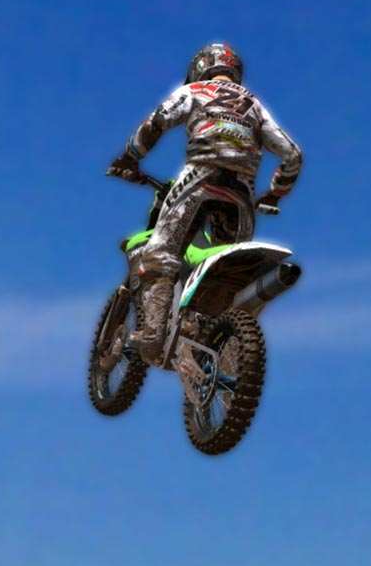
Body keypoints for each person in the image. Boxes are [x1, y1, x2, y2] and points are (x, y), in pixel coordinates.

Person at [108, 41, 304, 367]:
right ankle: (218, 352)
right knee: (230, 276)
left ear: (201, 67)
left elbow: (158, 120)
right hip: (242, 195)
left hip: (201, 178)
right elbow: (292, 155)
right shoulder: (253, 105)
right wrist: (274, 194)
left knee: (160, 253)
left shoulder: (197, 90)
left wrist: (130, 156)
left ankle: (153, 336)